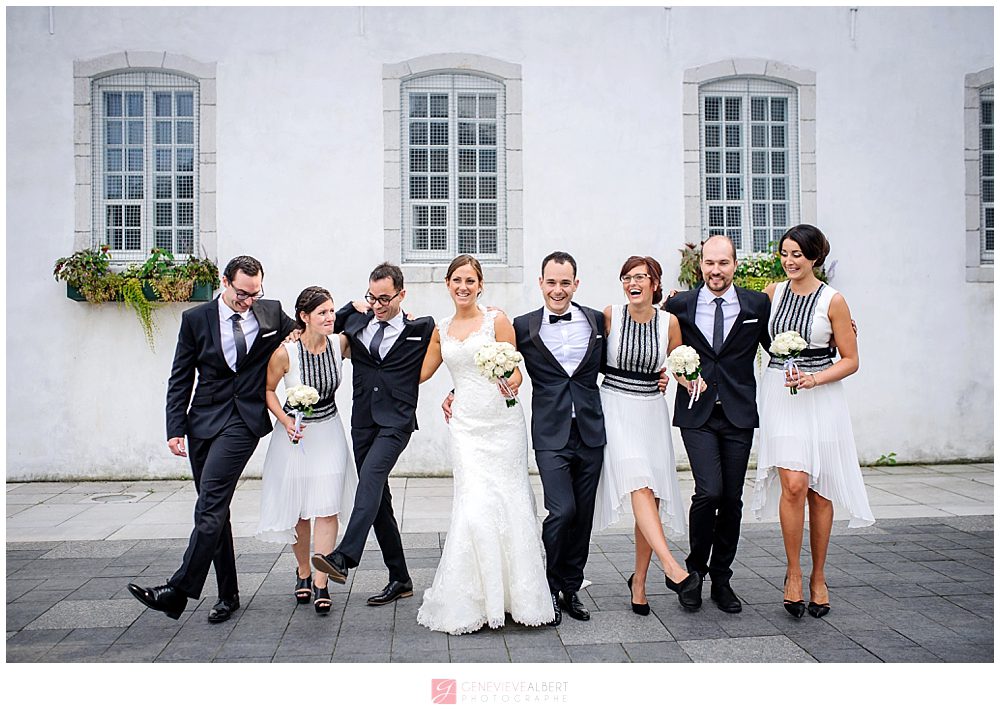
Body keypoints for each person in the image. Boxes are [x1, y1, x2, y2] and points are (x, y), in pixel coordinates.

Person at [128, 255, 296, 623]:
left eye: (254, 293)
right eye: (241, 293)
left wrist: (357, 311)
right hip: (202, 421)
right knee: (215, 509)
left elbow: (311, 324)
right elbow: (180, 376)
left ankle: (178, 590)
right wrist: (174, 428)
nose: (248, 301)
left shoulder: (271, 313)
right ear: (224, 282)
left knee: (210, 504)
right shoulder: (196, 319)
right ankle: (228, 594)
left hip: (244, 421)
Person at [415, 255, 553, 634]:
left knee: (508, 503)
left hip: (503, 424)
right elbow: (421, 372)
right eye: (457, 280)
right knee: (474, 506)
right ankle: (475, 597)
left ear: (480, 285)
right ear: (447, 284)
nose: (463, 286)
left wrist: (507, 380)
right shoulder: (441, 329)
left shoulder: (497, 320)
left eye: (470, 280)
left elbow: (516, 371)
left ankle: (517, 596)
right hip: (465, 428)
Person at [750, 224, 874, 618]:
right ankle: (793, 572)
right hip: (779, 396)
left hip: (820, 399)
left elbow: (851, 360)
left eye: (797, 255)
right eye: (784, 254)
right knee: (794, 484)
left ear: (815, 257)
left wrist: (815, 378)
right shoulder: (772, 293)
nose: (789, 261)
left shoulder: (833, 301)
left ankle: (819, 576)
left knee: (820, 491)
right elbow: (739, 327)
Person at [311, 263, 435, 608]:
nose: (379, 304)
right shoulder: (355, 322)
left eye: (385, 298)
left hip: (396, 422)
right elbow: (322, 325)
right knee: (379, 500)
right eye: (373, 297)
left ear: (401, 294)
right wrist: (355, 306)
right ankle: (400, 578)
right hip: (363, 421)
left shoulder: (421, 329)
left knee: (370, 478)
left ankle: (343, 557)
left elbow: (452, 354)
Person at [664, 236, 771, 614]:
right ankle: (694, 571)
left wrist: (835, 334)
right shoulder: (680, 305)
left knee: (731, 499)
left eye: (723, 263)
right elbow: (654, 332)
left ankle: (722, 578)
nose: (716, 270)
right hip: (698, 412)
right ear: (700, 266)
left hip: (739, 412)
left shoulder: (757, 304)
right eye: (709, 263)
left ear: (735, 265)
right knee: (708, 492)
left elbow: (779, 345)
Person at [594, 255, 700, 615]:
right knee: (638, 482)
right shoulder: (610, 316)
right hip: (616, 407)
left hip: (652, 410)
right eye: (626, 277)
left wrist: (687, 379)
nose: (632, 282)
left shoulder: (669, 323)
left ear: (655, 283)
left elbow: (679, 364)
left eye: (640, 276)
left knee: (651, 498)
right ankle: (673, 569)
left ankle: (639, 581)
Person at [511, 251, 607, 625]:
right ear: (541, 283)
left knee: (582, 516)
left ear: (576, 285)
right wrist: (458, 392)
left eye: (565, 282)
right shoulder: (523, 326)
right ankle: (548, 586)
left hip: (591, 430)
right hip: (550, 434)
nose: (558, 289)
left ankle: (571, 587)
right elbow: (492, 356)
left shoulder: (597, 321)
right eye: (551, 282)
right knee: (562, 510)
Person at [255, 286, 357, 615]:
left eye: (331, 311)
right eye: (322, 313)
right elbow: (269, 390)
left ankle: (321, 581)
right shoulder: (287, 353)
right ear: (304, 318)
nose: (330, 318)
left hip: (330, 433)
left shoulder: (340, 344)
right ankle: (302, 572)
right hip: (295, 437)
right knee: (301, 510)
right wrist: (285, 421)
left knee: (327, 508)